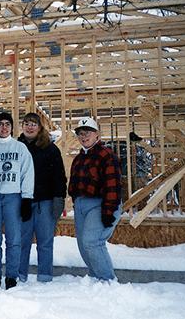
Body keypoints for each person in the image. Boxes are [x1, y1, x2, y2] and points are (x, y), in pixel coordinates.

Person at [0, 112, 34, 290]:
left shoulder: (20, 148)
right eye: (0, 124)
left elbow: (27, 173)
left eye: (7, 124)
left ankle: (11, 275)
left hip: (13, 197)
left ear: (11, 127)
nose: (4, 127)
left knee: (14, 238)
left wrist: (27, 198)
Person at [68, 117, 122, 281]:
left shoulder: (106, 155)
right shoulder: (79, 158)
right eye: (81, 134)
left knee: (92, 242)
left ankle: (107, 280)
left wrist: (108, 211)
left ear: (97, 135)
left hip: (101, 203)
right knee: (83, 246)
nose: (84, 137)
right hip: (81, 204)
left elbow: (113, 186)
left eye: (88, 133)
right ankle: (95, 278)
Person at [18, 113, 67, 282]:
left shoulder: (50, 149)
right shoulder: (17, 148)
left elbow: (59, 176)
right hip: (22, 202)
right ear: (22, 126)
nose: (30, 127)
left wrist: (59, 199)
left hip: (44, 202)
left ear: (39, 128)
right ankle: (20, 275)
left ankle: (45, 276)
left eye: (33, 124)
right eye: (26, 123)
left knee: (45, 242)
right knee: (22, 241)